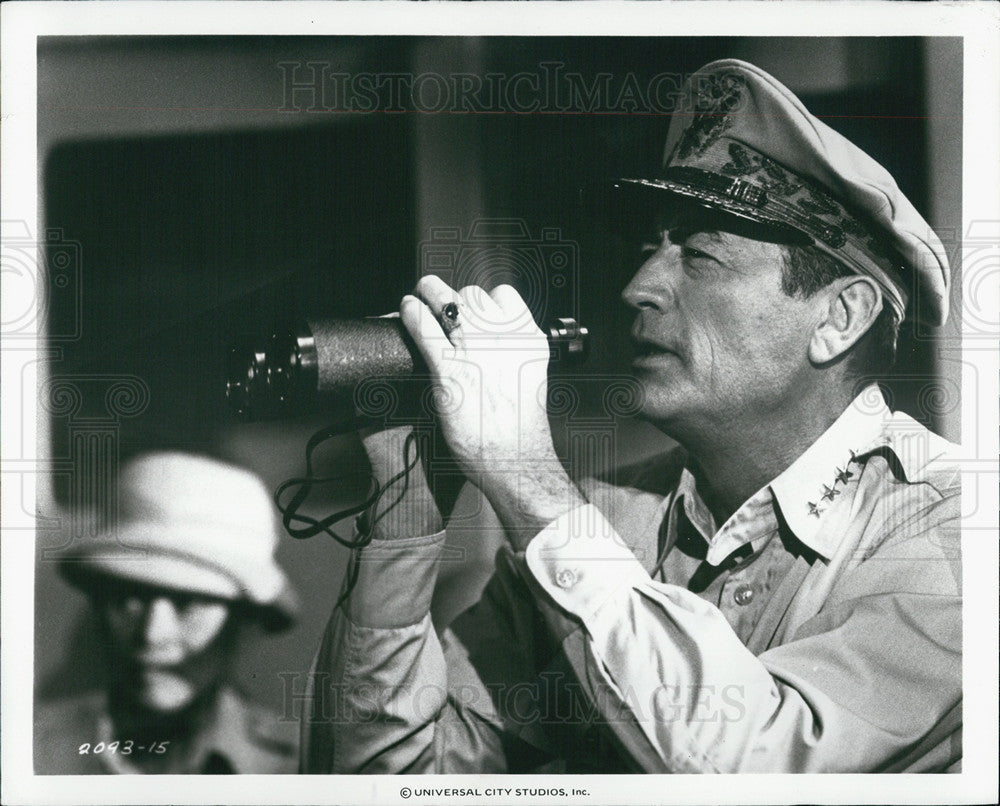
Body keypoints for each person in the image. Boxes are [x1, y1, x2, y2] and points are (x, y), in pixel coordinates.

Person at [301, 59, 960, 773]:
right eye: (653, 249)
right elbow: (390, 779)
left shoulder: (956, 531)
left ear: (841, 315)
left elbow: (751, 768)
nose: (638, 286)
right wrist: (410, 505)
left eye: (700, 255)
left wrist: (524, 473)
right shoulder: (602, 519)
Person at [35, 451, 300, 774]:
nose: (151, 634)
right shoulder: (26, 750)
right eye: (130, 596)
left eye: (190, 602)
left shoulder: (303, 764)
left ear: (244, 620)